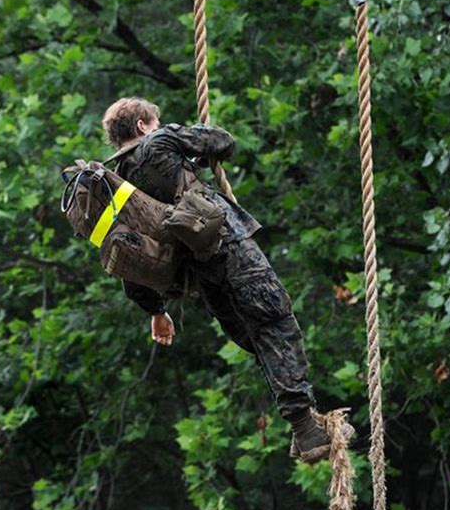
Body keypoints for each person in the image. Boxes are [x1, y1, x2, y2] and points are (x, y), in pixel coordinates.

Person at [101, 97, 352, 464]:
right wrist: (190, 153)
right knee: (274, 323)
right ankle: (305, 426)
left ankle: (303, 429)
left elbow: (128, 253)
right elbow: (223, 141)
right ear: (142, 126)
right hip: (228, 250)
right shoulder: (160, 142)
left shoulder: (114, 182)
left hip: (200, 277)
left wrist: (156, 310)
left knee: (255, 338)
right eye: (155, 120)